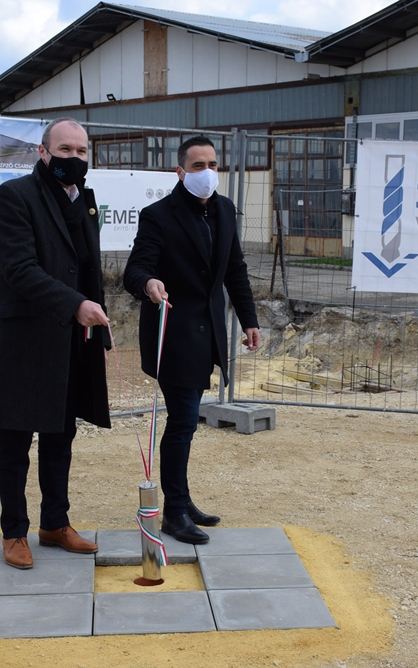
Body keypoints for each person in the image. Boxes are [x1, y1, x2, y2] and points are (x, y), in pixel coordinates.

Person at [0, 118, 111, 569]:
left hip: (70, 340)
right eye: (65, 150)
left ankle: (55, 523)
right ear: (43, 151)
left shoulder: (85, 200)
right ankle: (14, 531)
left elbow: (87, 269)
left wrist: (95, 324)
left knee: (61, 435)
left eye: (81, 151)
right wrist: (75, 305)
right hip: (24, 340)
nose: (74, 158)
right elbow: (20, 268)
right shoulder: (14, 196)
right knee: (16, 440)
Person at [124, 136, 260, 544]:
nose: (207, 172)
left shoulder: (224, 210)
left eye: (213, 164)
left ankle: (180, 499)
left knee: (186, 422)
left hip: (209, 333)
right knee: (183, 421)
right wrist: (149, 283)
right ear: (180, 171)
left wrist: (249, 320)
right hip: (174, 334)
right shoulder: (158, 215)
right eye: (198, 165)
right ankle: (175, 513)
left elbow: (234, 269)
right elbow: (135, 270)